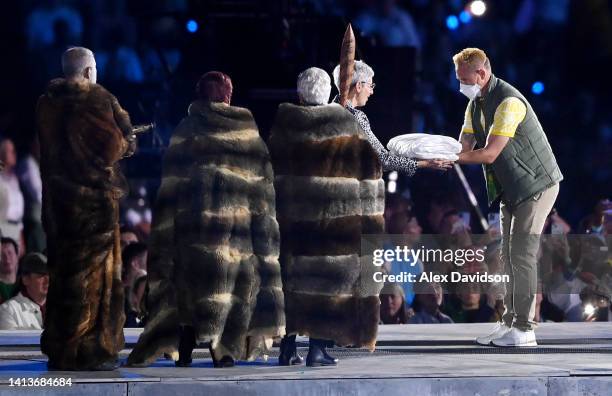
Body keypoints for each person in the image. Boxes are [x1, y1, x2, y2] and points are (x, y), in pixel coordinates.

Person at [127, 71, 285, 368]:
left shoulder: (185, 132)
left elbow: (168, 194)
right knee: (231, 294)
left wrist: (164, 241)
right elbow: (263, 203)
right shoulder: (249, 138)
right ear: (227, 96)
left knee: (187, 293)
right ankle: (222, 349)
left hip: (191, 239)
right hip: (235, 242)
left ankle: (185, 348)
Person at [269, 67, 385, 366]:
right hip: (332, 224)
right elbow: (369, 171)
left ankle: (287, 348)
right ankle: (317, 349)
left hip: (291, 223)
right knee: (326, 285)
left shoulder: (284, 127)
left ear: (299, 94)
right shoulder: (345, 126)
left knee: (291, 284)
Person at [454, 48, 563, 346]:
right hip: (510, 187)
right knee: (506, 256)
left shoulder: (509, 102)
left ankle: (525, 329)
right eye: (458, 79)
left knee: (522, 255)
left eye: (464, 79)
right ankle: (510, 321)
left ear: (481, 73)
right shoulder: (475, 104)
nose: (461, 85)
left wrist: (454, 158)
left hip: (536, 186)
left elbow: (488, 153)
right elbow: (464, 144)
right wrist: (440, 153)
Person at [36, 47, 136, 370]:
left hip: (58, 206)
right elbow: (114, 145)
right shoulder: (98, 99)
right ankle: (93, 351)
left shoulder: (46, 103)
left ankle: (60, 349)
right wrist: (127, 142)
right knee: (95, 283)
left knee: (64, 274)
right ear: (90, 72)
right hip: (93, 209)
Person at [332, 60, 452, 175]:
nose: (371, 92)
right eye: (370, 85)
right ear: (359, 86)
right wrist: (425, 163)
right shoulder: (356, 118)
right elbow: (383, 159)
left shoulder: (327, 110)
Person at [0, 253, 48, 330]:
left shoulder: (60, 308)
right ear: (25, 279)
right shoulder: (8, 310)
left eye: (50, 275)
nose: (47, 281)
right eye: (41, 276)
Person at [0, 138, 25, 244]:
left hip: (16, 228)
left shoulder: (14, 178)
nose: (15, 153)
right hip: (3, 228)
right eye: (11, 150)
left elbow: (18, 207)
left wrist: (20, 233)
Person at [0, 237, 20, 304]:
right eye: (2, 254)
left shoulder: (27, 286)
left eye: (10, 253)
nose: (7, 258)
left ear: (17, 256)